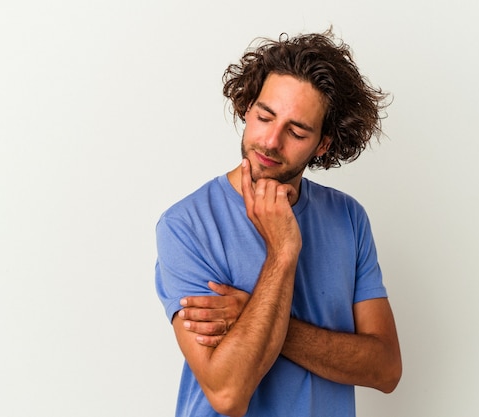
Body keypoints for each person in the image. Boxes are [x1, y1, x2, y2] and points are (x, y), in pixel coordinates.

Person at [155, 29, 402, 417]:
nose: (271, 141)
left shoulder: (347, 218)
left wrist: (259, 318)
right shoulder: (186, 225)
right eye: (264, 116)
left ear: (323, 144)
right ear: (246, 108)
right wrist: (283, 253)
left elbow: (386, 369)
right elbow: (228, 394)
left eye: (297, 130)